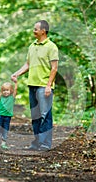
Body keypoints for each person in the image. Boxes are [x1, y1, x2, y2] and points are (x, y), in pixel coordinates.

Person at [11, 20, 59, 151]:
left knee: (45, 115)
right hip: (32, 85)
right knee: (35, 116)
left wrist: (49, 85)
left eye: (35, 29)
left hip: (44, 86)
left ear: (43, 31)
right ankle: (37, 142)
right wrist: (17, 74)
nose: (34, 31)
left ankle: (45, 144)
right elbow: (28, 64)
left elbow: (54, 68)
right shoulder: (32, 46)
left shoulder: (51, 47)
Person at [0, 80, 17, 150]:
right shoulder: (1, 97)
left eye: (7, 90)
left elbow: (16, 89)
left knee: (5, 129)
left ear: (11, 90)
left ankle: (3, 143)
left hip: (7, 116)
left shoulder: (12, 98)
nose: (5, 92)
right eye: (4, 90)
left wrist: (16, 83)